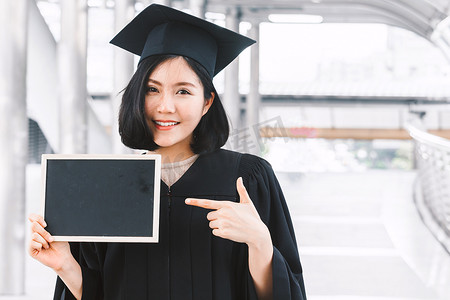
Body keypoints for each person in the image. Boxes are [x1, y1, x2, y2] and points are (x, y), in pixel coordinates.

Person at [28, 3, 307, 300]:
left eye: (183, 91)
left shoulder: (248, 179)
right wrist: (66, 266)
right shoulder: (108, 184)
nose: (165, 106)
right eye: (152, 89)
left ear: (207, 102)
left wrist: (260, 242)